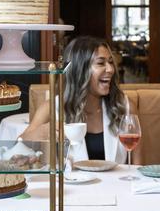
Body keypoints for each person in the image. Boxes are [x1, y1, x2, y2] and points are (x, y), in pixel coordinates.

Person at [22, 35, 142, 164]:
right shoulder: (51, 108)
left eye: (111, 62)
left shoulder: (124, 106)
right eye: (101, 63)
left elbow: (138, 167)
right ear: (79, 70)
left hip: (116, 184)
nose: (111, 69)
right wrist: (42, 132)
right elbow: (20, 143)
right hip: (69, 184)